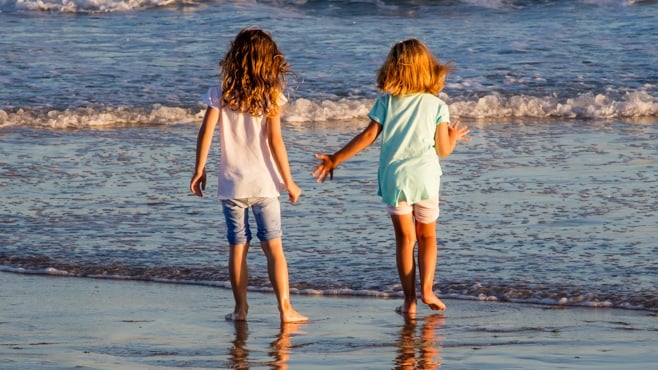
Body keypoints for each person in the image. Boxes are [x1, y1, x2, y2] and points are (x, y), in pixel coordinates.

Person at [312, 39, 470, 315]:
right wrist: (453, 137)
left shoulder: (387, 102)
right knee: (428, 237)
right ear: (427, 69)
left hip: (395, 179)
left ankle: (409, 301)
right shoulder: (436, 105)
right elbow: (444, 151)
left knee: (405, 240)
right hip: (426, 179)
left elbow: (368, 136)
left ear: (393, 69)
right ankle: (428, 289)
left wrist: (336, 157)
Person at [190, 28, 308, 324]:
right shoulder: (271, 96)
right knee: (274, 249)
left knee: (237, 248)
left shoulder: (220, 94)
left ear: (235, 58)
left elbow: (206, 133)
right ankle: (286, 310)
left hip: (231, 186)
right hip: (265, 185)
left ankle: (240, 309)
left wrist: (199, 169)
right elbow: (276, 143)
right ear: (268, 61)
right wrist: (289, 181)